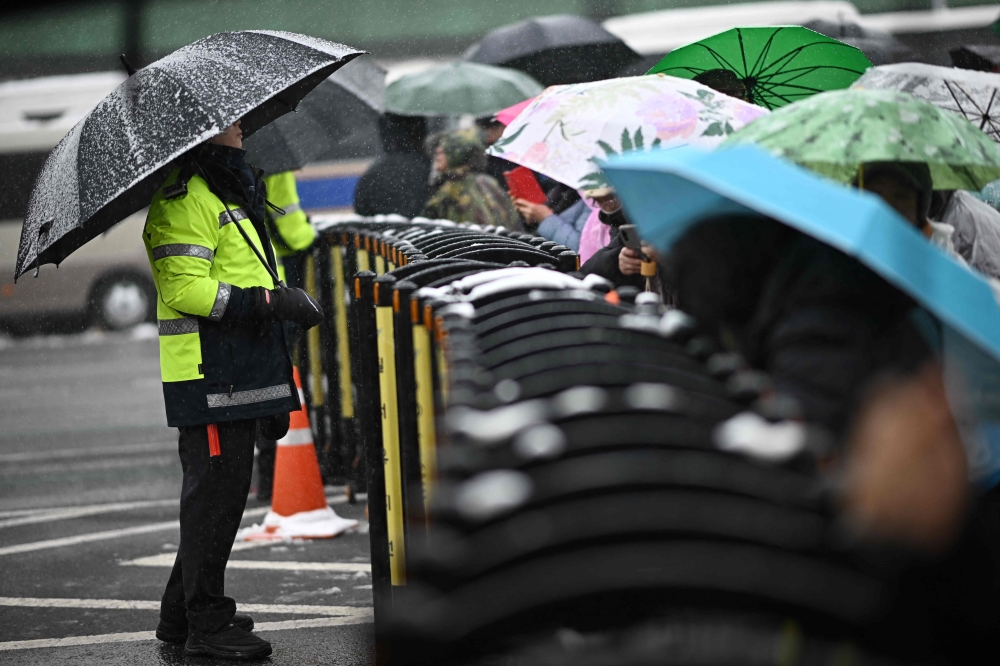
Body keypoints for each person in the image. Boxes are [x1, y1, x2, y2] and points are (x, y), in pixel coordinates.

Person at [143, 120, 323, 660]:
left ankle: (182, 614)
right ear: (202, 132)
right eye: (230, 122)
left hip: (239, 367)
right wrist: (270, 303)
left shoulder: (228, 187)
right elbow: (183, 287)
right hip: (208, 372)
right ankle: (205, 622)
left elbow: (244, 268)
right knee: (214, 502)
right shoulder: (185, 198)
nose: (242, 127)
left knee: (219, 499)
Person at [257, 169, 317, 501]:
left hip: (240, 295)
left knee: (256, 383)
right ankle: (275, 473)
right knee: (281, 379)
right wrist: (310, 235)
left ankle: (263, 473)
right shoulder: (272, 162)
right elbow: (293, 232)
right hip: (273, 285)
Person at [422, 129, 519, 227]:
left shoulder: (454, 187)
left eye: (443, 152)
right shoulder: (486, 181)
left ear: (456, 155)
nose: (437, 155)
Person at [354, 113, 430, 218]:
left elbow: (362, 209)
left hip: (383, 231)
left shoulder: (374, 173)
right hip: (425, 232)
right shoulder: (431, 169)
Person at [512, 182, 590, 250]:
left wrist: (545, 219)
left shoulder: (593, 201)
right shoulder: (564, 188)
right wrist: (529, 213)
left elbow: (582, 249)